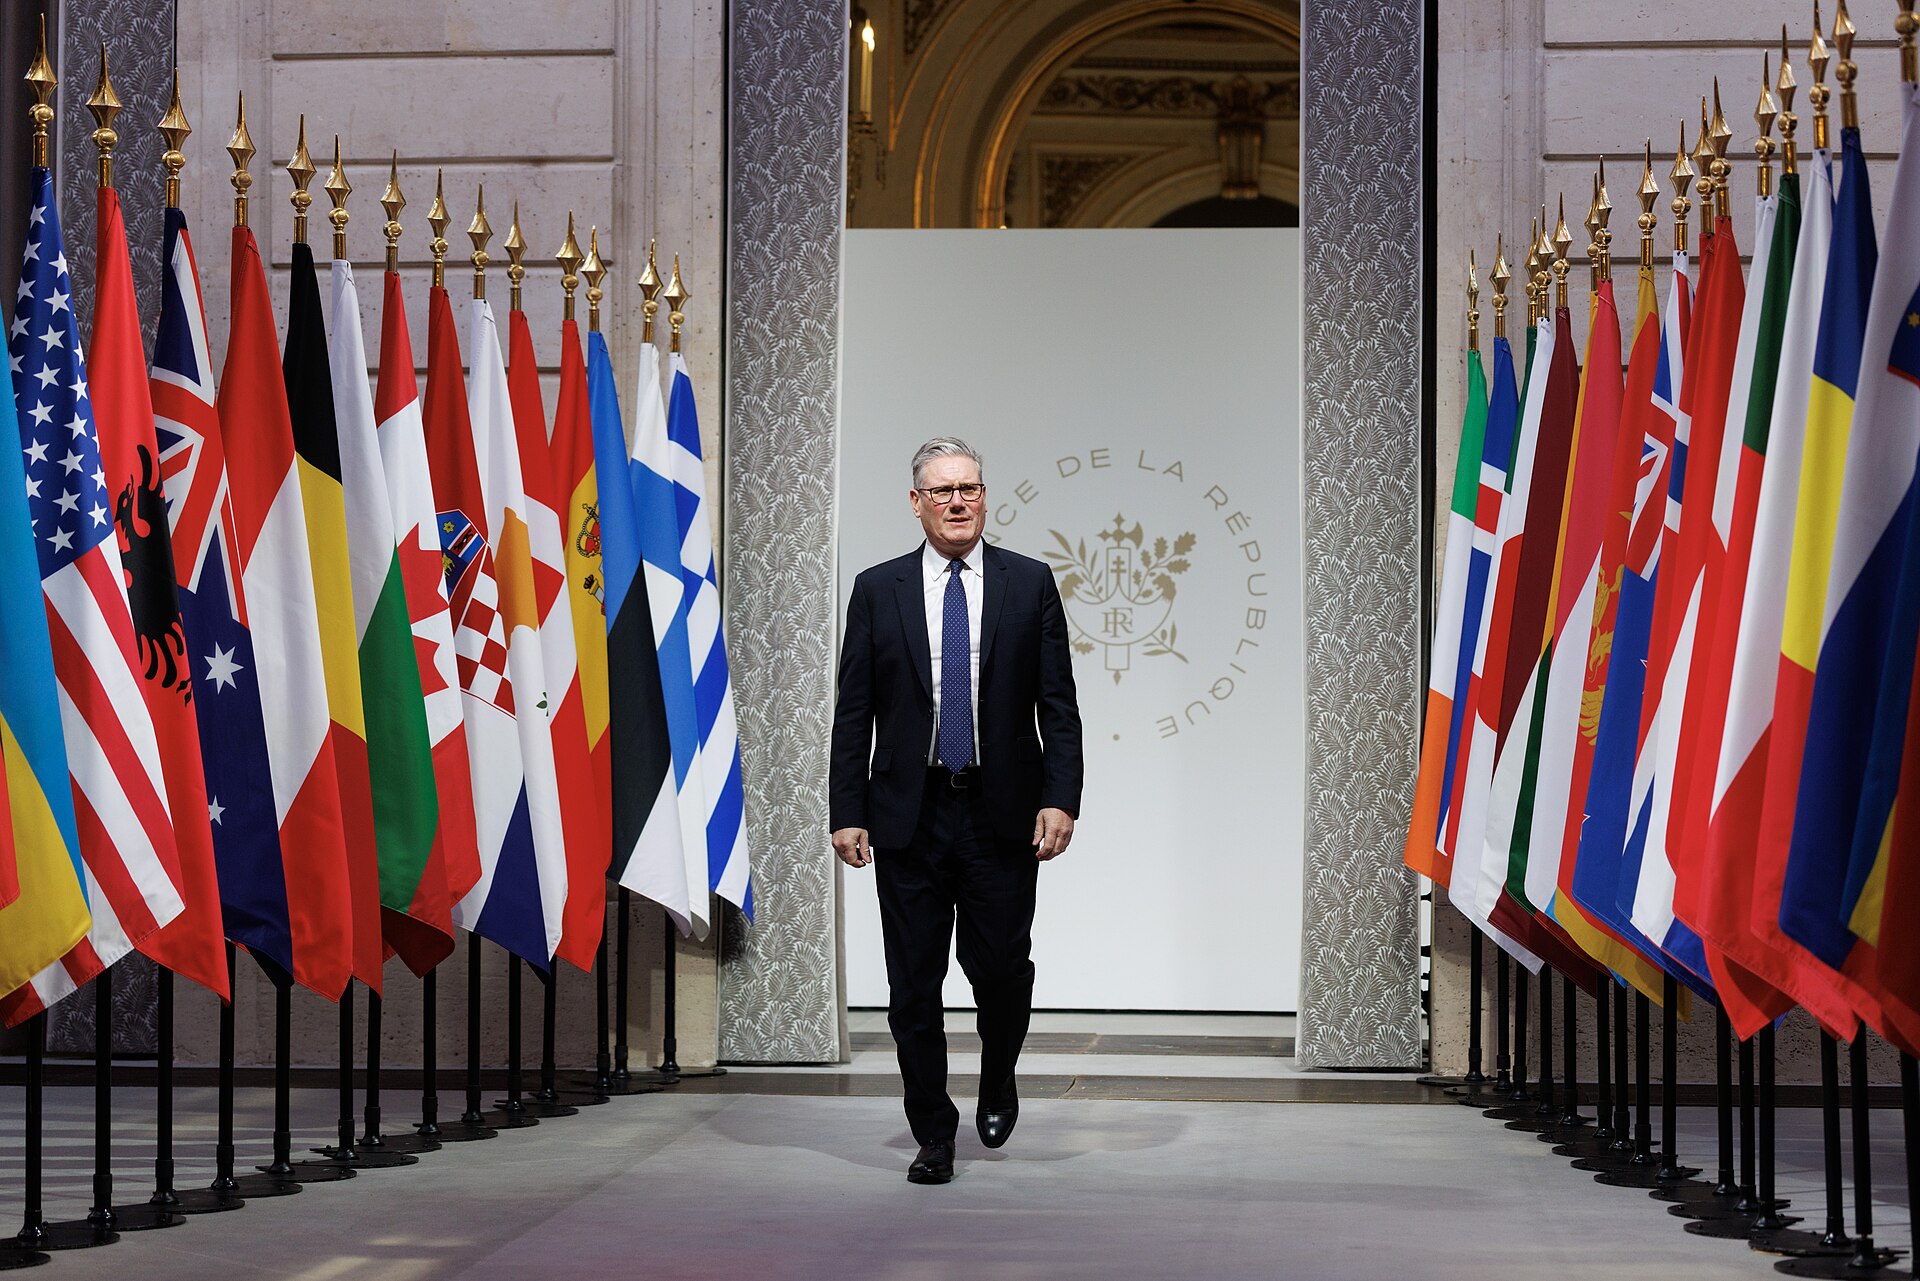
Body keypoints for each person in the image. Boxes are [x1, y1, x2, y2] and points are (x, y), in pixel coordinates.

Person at [830, 436, 1084, 1185]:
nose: (957, 501)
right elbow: (855, 710)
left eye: (968, 487)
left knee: (1001, 970)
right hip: (908, 816)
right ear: (916, 503)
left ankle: (998, 1074)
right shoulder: (879, 589)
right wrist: (848, 807)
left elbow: (1058, 705)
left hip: (1000, 814)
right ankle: (933, 1131)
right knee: (912, 984)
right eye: (941, 491)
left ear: (984, 494)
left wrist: (1060, 797)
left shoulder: (1028, 582)